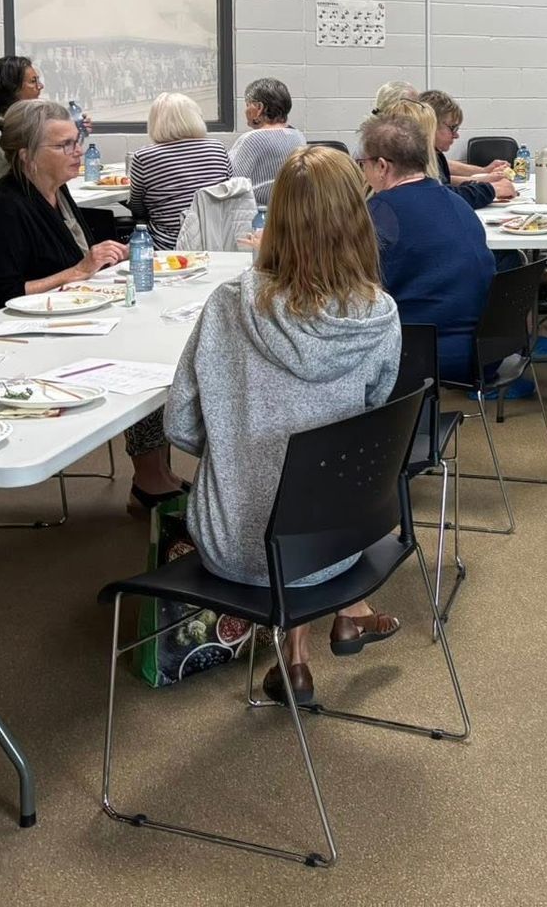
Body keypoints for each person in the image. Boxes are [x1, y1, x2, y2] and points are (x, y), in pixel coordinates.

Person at [165, 146, 402, 707]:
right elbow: (371, 425)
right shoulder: (380, 317)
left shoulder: (227, 307)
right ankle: (322, 635)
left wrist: (240, 446)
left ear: (274, 219)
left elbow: (181, 426)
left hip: (233, 545)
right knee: (305, 475)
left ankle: (294, 660)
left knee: (266, 477)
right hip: (337, 543)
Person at [0, 101, 180, 504]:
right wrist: (76, 272)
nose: (78, 152)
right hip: (12, 341)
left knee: (154, 344)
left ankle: (158, 470)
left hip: (60, 322)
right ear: (27, 156)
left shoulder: (55, 194)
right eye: (64, 146)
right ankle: (149, 476)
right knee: (139, 358)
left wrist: (102, 259)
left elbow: (71, 262)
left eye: (76, 142)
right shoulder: (5, 208)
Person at [359, 112, 496, 382]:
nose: (362, 171)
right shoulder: (458, 203)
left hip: (423, 354)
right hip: (487, 350)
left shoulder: (380, 212)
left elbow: (353, 288)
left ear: (382, 166)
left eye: (363, 164)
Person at [126, 92, 230, 250]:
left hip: (169, 247)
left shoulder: (144, 157)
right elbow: (229, 190)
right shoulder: (218, 148)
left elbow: (138, 207)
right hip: (215, 241)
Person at [415, 89, 516, 208]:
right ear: (431, 125)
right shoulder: (414, 159)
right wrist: (492, 189)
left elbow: (444, 185)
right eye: (452, 128)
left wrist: (482, 180)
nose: (456, 135)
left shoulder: (434, 155)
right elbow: (443, 198)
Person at [229, 77, 306, 206]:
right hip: (291, 212)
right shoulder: (299, 136)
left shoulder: (252, 139)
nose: (245, 111)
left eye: (248, 105)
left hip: (259, 217)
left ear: (259, 108)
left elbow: (232, 183)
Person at [0, 55, 45, 185]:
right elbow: (31, 165)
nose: (40, 86)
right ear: (13, 88)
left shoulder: (23, 118)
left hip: (19, 189)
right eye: (33, 81)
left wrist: (75, 133)